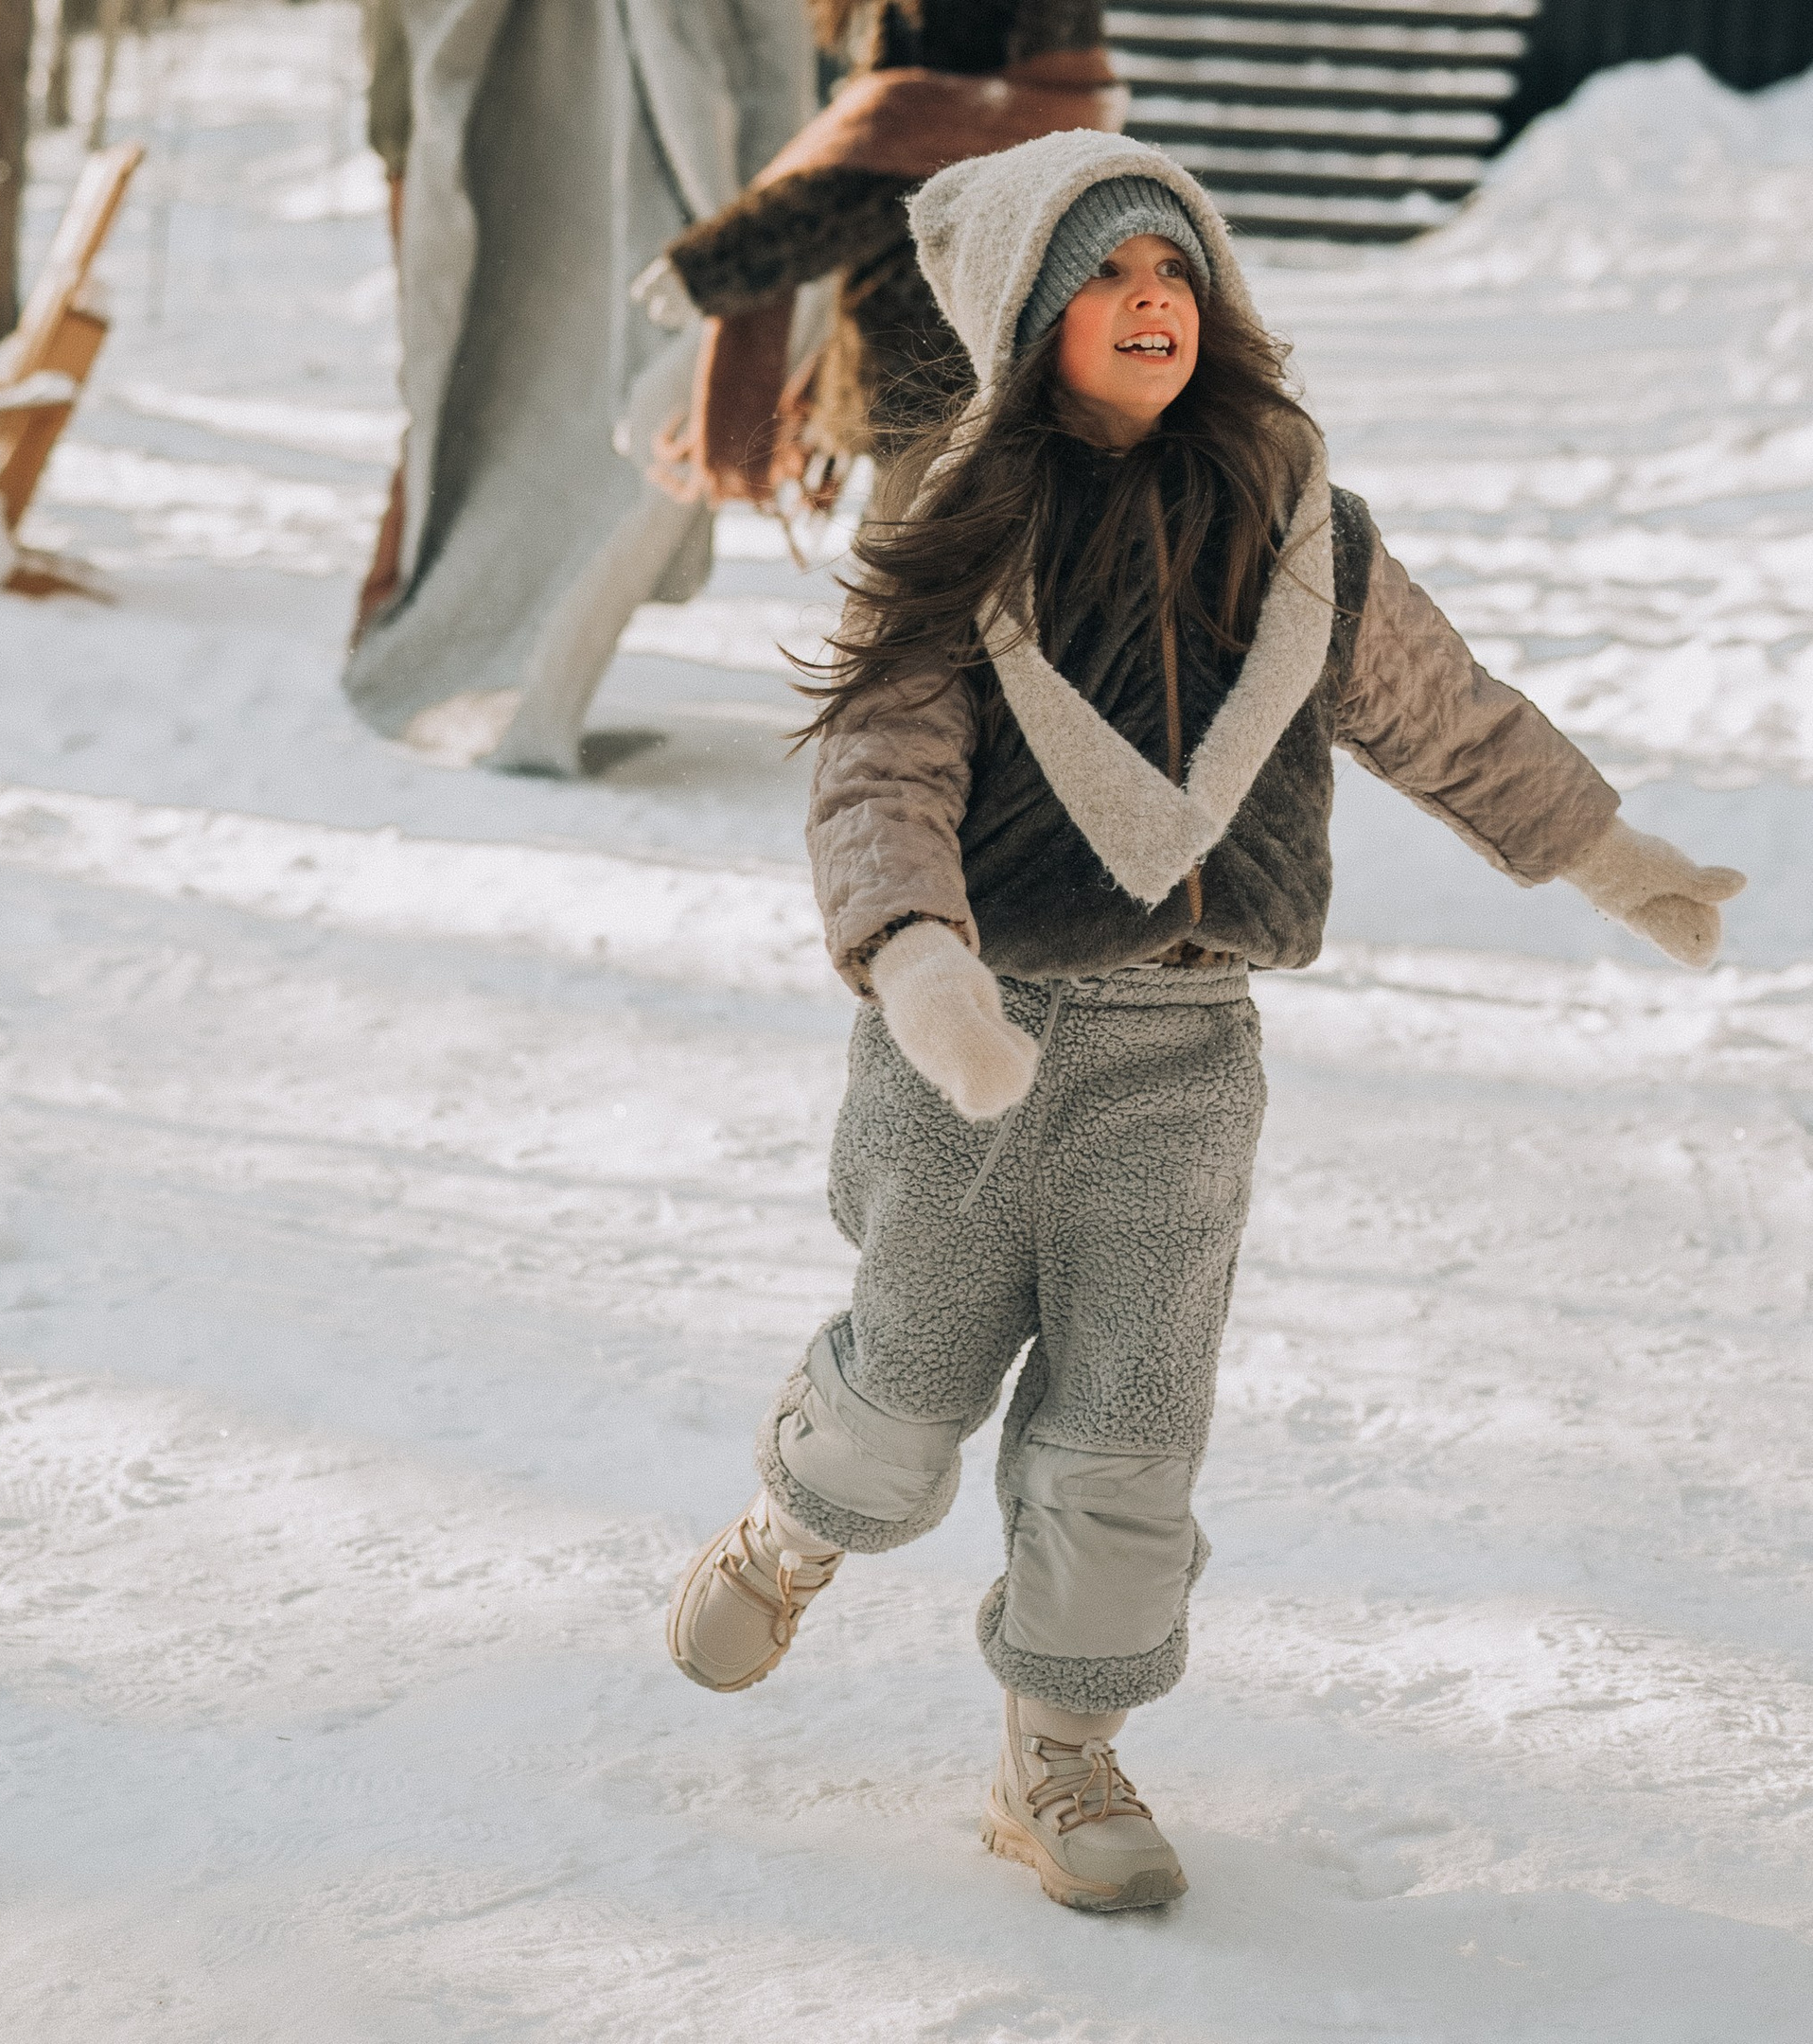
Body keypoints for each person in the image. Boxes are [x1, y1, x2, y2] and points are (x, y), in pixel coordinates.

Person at [665, 131, 1746, 1913]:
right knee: (913, 1382)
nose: (1151, 300)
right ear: (1031, 312)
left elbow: (1448, 718)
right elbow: (880, 763)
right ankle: (795, 1529)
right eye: (1108, 275)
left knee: (1131, 1422)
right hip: (976, 1048)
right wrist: (917, 958)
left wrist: (1609, 857)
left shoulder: (1295, 521)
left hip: (1187, 1051)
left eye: (1174, 272)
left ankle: (1057, 1756)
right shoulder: (958, 521)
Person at [346, 0, 812, 774]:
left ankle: (413, 609)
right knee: (445, 392)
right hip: (431, 153)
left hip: (434, 154)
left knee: (451, 391)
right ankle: (405, 615)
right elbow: (411, 9)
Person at [651, 0, 1117, 513]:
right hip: (1034, 331)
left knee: (921, 615)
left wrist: (718, 264)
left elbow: (893, 167)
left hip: (932, 356)